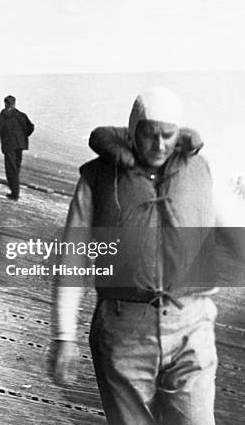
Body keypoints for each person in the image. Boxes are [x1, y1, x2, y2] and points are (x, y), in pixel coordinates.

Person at [52, 87, 241, 425]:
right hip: (124, 331)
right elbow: (73, 259)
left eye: (167, 135)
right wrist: (64, 336)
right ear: (132, 130)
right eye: (149, 134)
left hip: (191, 327)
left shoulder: (201, 173)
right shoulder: (95, 179)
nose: (159, 144)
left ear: (178, 134)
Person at [0, 95, 34, 200]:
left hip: (9, 145)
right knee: (16, 168)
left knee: (11, 169)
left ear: (6, 103)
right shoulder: (22, 115)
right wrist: (23, 136)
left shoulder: (4, 115)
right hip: (20, 145)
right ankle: (15, 191)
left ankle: (15, 193)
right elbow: (31, 127)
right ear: (14, 103)